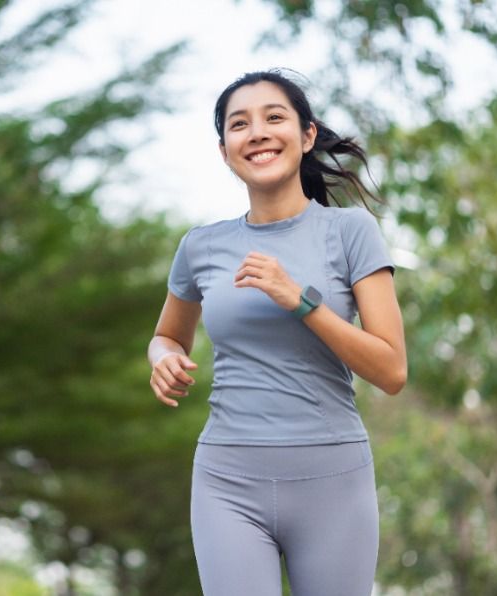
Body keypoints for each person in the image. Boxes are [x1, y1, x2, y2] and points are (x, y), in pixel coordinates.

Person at [147, 68, 407, 595]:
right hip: (227, 479)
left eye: (274, 117)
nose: (258, 132)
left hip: (332, 482)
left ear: (306, 135)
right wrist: (163, 358)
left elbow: (392, 370)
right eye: (239, 124)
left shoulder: (351, 232)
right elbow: (167, 335)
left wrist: (301, 300)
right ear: (225, 151)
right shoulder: (201, 246)